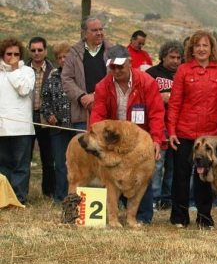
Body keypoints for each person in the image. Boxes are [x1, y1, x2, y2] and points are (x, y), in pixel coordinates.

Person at [90, 45, 165, 224]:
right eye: (112, 67)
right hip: (114, 141)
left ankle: (142, 217)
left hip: (140, 140)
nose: (116, 70)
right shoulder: (102, 86)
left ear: (130, 63)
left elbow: (156, 113)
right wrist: (94, 137)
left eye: (120, 66)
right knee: (114, 175)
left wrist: (156, 139)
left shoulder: (147, 82)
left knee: (141, 175)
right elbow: (98, 116)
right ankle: (115, 213)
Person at [168, 30, 217, 229]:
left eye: (205, 45)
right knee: (181, 175)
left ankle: (205, 218)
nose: (201, 49)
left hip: (211, 136)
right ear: (192, 49)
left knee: (205, 177)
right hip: (184, 134)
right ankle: (179, 217)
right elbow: (175, 103)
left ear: (212, 48)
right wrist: (171, 131)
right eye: (197, 46)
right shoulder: (183, 70)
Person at [146, 40, 184, 211]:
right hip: (159, 125)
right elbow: (143, 97)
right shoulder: (151, 73)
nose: (175, 61)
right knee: (157, 162)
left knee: (173, 165)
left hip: (178, 126)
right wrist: (158, 97)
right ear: (163, 57)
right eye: (172, 57)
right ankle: (153, 197)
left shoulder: (184, 73)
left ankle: (167, 198)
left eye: (178, 57)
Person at [0, 38, 36, 205]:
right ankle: (5, 197)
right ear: (2, 54)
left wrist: (15, 70)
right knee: (4, 165)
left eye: (16, 54)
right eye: (9, 54)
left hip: (22, 128)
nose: (12, 57)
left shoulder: (27, 71)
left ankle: (19, 198)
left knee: (21, 166)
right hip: (2, 127)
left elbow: (23, 89)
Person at [62, 16, 113, 131]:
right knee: (83, 148)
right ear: (85, 33)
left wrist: (95, 95)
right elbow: (66, 79)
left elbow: (117, 78)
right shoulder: (74, 53)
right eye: (95, 30)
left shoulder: (112, 51)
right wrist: (82, 97)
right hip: (82, 113)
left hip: (108, 112)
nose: (99, 33)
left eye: (101, 29)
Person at [40, 42, 74, 204]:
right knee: (60, 164)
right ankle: (61, 197)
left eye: (65, 57)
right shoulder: (52, 78)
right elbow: (44, 101)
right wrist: (49, 115)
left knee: (78, 164)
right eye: (59, 57)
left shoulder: (78, 76)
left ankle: (76, 196)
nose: (62, 60)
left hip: (77, 127)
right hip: (58, 129)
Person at [25, 36, 56, 198]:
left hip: (46, 118)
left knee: (48, 157)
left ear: (45, 51)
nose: (36, 53)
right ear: (28, 51)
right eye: (33, 50)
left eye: (40, 50)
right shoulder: (21, 70)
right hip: (26, 118)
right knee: (24, 157)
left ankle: (49, 192)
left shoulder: (54, 71)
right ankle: (23, 191)